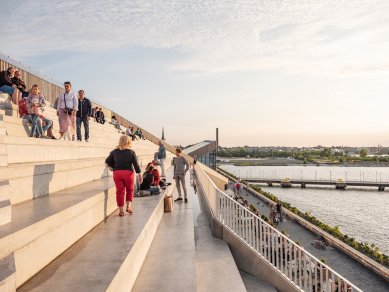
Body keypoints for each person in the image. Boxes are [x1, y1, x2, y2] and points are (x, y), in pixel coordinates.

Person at [105, 135, 142, 217]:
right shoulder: (131, 152)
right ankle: (128, 206)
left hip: (117, 173)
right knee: (130, 190)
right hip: (128, 173)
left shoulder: (114, 152)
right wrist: (139, 174)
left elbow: (107, 161)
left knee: (120, 192)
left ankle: (121, 211)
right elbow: (136, 164)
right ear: (129, 142)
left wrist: (113, 167)